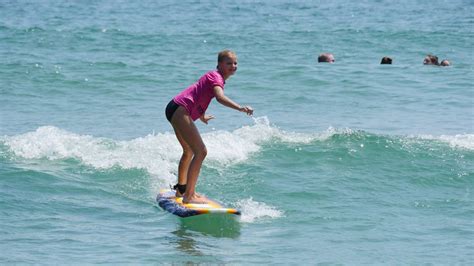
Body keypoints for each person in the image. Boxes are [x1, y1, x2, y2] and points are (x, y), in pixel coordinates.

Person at [164, 50, 253, 204]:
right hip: (180, 110)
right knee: (201, 151)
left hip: (175, 108)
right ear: (219, 64)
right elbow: (219, 97)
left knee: (189, 151)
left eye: (235, 63)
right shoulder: (216, 77)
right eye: (229, 63)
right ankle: (189, 196)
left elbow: (200, 95)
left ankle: (181, 189)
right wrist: (240, 108)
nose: (233, 66)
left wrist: (201, 115)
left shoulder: (213, 76)